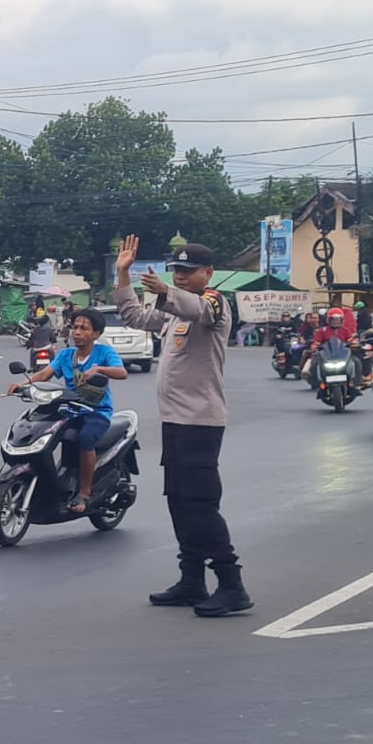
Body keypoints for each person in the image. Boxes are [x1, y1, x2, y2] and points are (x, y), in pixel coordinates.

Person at [115, 235, 251, 617]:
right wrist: (123, 275)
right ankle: (191, 579)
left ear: (209, 273)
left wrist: (165, 291)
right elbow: (135, 317)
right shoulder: (173, 310)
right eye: (177, 270)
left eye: (189, 271)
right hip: (175, 422)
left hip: (200, 423)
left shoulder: (213, 303)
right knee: (178, 502)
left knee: (200, 504)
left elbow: (196, 308)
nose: (181, 276)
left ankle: (231, 583)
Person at [7, 307, 127, 514]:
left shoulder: (104, 353)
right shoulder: (65, 355)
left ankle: (85, 492)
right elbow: (45, 374)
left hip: (96, 412)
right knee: (45, 432)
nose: (78, 332)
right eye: (75, 327)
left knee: (85, 439)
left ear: (96, 334)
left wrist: (99, 369)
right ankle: (55, 481)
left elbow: (122, 373)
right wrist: (22, 384)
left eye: (84, 328)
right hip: (70, 410)